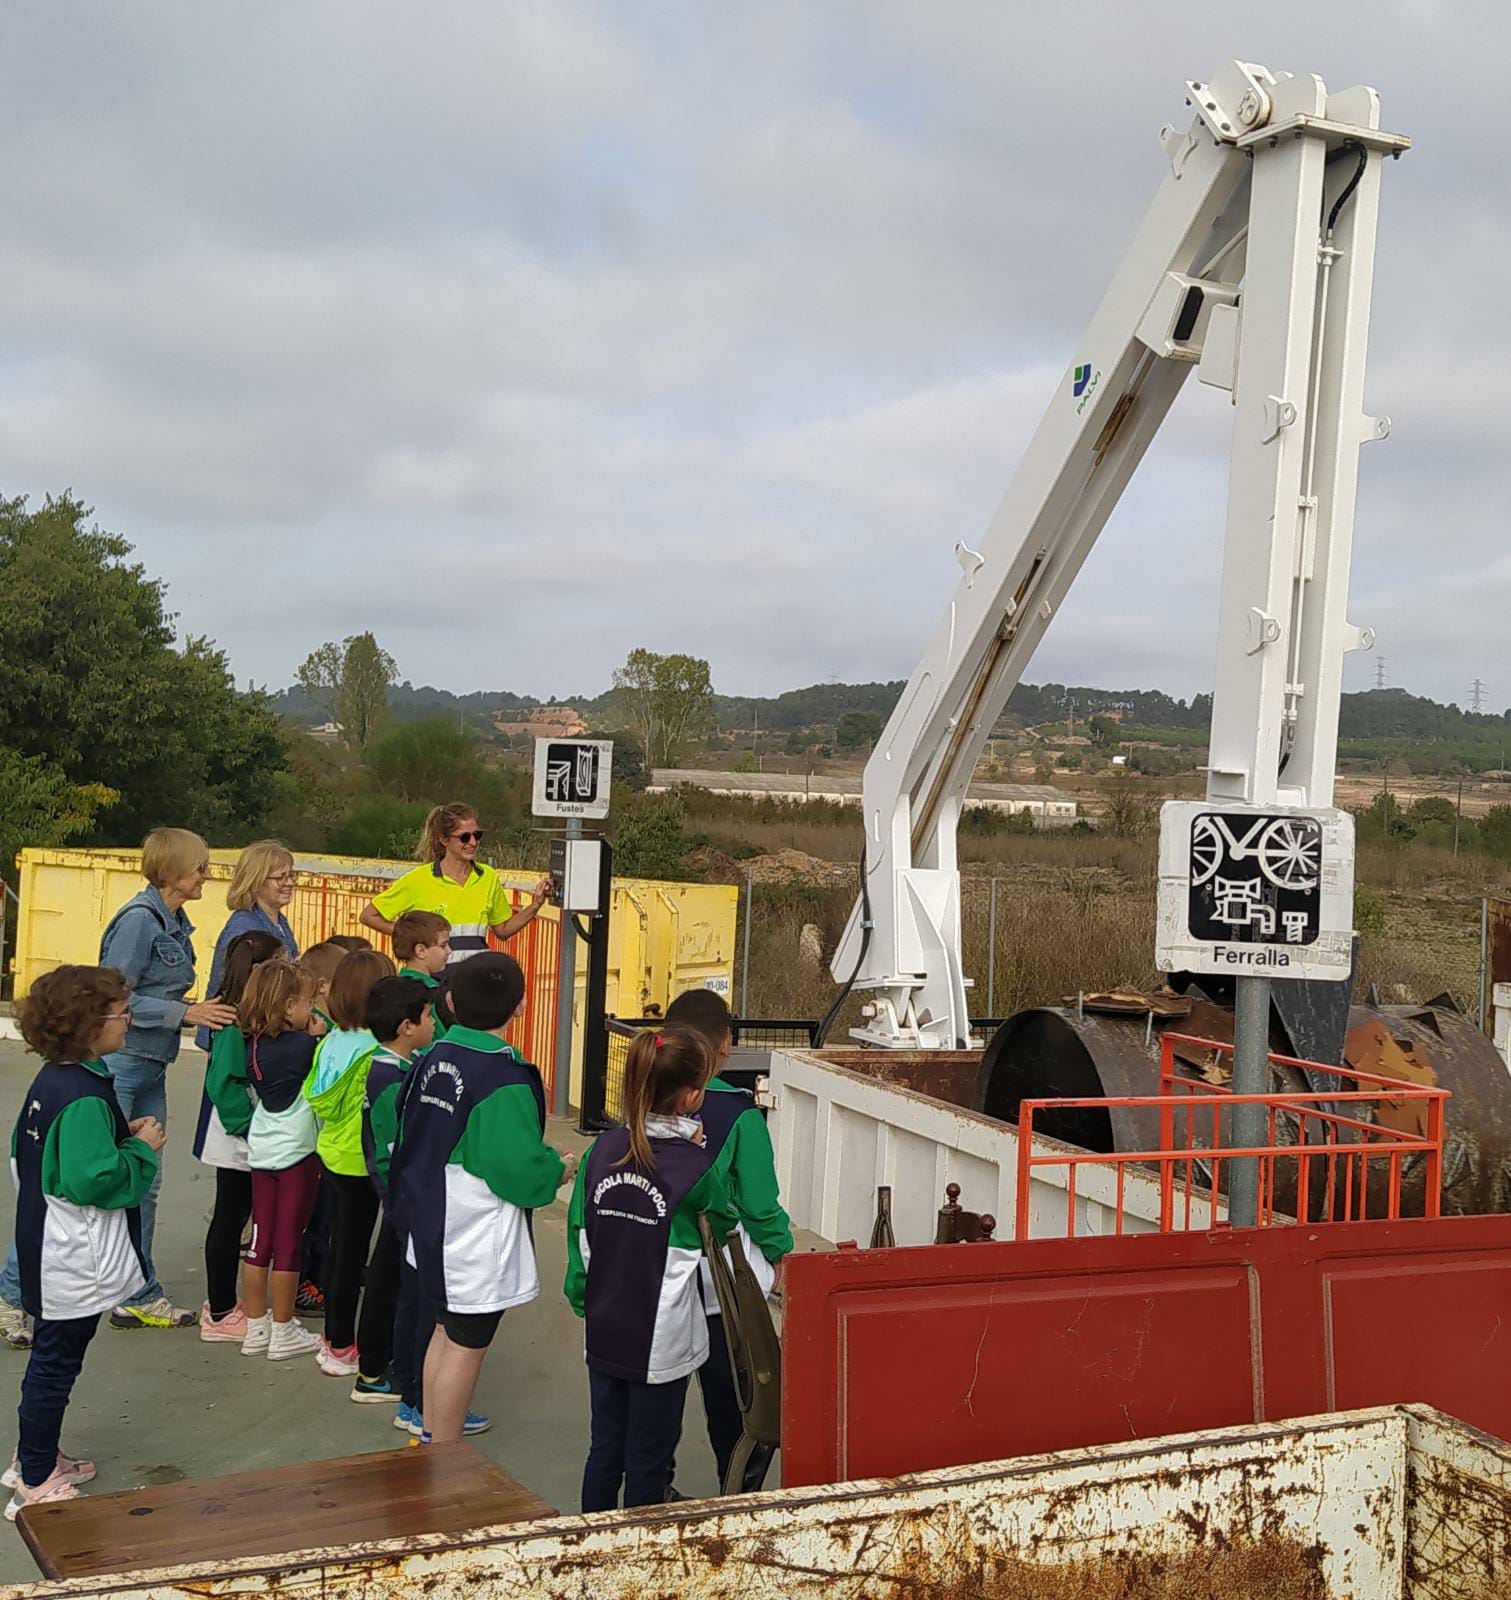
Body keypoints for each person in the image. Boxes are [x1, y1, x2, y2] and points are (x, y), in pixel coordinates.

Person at [0, 829, 236, 1345]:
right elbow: (111, 999)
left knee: (144, 1178)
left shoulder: (172, 922)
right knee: (68, 1186)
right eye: (200, 867)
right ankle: (13, 1294)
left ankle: (135, 1292)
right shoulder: (138, 923)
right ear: (173, 871)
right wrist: (185, 1012)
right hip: (125, 1064)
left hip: (148, 1063)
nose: (206, 875)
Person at [388, 953, 577, 1444]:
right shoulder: (502, 1077)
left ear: (448, 1000)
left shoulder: (432, 1057)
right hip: (471, 1234)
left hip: (427, 1219)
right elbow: (513, 1171)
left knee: (443, 1332)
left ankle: (428, 1434)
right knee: (467, 1343)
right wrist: (557, 1168)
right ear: (520, 1007)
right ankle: (443, 1461)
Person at [4, 966, 164, 1517]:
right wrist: (141, 1149)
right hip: (70, 1253)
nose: (129, 1020)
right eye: (121, 1012)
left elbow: (24, 1157)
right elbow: (93, 1179)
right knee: (56, 1360)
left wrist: (120, 1138)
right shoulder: (84, 1096)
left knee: (54, 1354)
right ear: (91, 1024)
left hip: (44, 1237)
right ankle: (35, 1473)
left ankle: (36, 1452)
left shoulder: (54, 1079)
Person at [564, 1026, 736, 1512]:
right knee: (648, 1457)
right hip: (659, 1337)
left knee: (604, 1449)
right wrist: (699, 1149)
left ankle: (588, 1542)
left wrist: (582, 1295)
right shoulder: (695, 1167)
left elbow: (581, 1228)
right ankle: (638, 1554)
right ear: (692, 1096)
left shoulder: (602, 1150)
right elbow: (723, 1222)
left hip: (604, 1322)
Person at [663, 989, 793, 1492]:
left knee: (660, 1394)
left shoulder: (640, 1098)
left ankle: (654, 1488)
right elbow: (759, 1202)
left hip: (655, 1274)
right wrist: (781, 1253)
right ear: (725, 1045)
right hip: (720, 1284)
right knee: (737, 1397)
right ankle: (736, 1493)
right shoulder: (739, 1114)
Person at [359, 977, 484, 1436]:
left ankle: (417, 1396)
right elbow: (397, 1150)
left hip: (407, 1201)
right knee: (418, 1306)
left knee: (415, 1302)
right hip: (412, 1205)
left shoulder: (393, 1068)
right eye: (430, 1017)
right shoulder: (393, 1080)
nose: (435, 1024)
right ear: (408, 1026)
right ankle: (416, 1401)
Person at [302, 948, 400, 1386]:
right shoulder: (374, 1051)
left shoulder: (329, 1041)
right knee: (354, 1255)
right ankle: (343, 1344)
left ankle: (333, 1338)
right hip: (362, 1160)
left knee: (341, 1248)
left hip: (332, 1152)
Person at [194, 929, 284, 1343]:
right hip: (237, 1135)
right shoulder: (234, 1022)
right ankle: (220, 1310)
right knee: (229, 1219)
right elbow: (224, 1085)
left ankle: (228, 1305)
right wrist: (251, 1127)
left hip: (247, 1133)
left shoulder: (249, 1016)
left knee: (239, 1217)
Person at [241, 961, 325, 1361]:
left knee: (260, 1238)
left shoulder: (253, 1044)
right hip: (298, 1151)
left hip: (262, 1148)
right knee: (290, 1238)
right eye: (308, 1002)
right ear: (291, 1005)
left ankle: (256, 1325)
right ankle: (283, 1327)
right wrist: (318, 1037)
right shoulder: (307, 1048)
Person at [358, 803, 552, 964]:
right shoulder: (419, 879)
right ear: (444, 839)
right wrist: (413, 938)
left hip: (473, 982)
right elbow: (368, 916)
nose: (473, 842)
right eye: (465, 837)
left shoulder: (488, 877)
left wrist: (536, 904)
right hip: (433, 982)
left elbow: (503, 929)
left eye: (477, 835)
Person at [195, 841, 299, 1052]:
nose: (289, 883)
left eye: (291, 875)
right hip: (242, 1034)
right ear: (256, 881)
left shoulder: (279, 921)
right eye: (280, 877)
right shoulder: (244, 926)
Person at [392, 912, 451, 1041]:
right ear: (421, 951)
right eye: (443, 945)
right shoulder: (434, 991)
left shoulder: (392, 986)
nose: (449, 950)